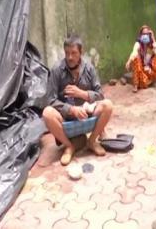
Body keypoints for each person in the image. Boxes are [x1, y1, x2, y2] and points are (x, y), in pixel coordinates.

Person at [42, 36, 113, 165]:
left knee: (108, 105)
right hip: (67, 118)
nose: (70, 57)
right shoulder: (57, 70)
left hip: (88, 115)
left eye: (74, 53)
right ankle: (69, 147)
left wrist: (82, 94)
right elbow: (51, 100)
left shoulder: (89, 68)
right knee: (47, 113)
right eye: (67, 53)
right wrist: (71, 109)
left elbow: (100, 95)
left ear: (81, 52)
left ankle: (91, 141)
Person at [125, 25, 156, 92]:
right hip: (142, 70)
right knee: (135, 58)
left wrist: (153, 38)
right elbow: (134, 52)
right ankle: (135, 85)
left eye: (147, 34)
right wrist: (129, 61)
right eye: (143, 34)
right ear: (141, 35)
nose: (145, 35)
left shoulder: (152, 43)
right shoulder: (138, 43)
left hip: (150, 70)